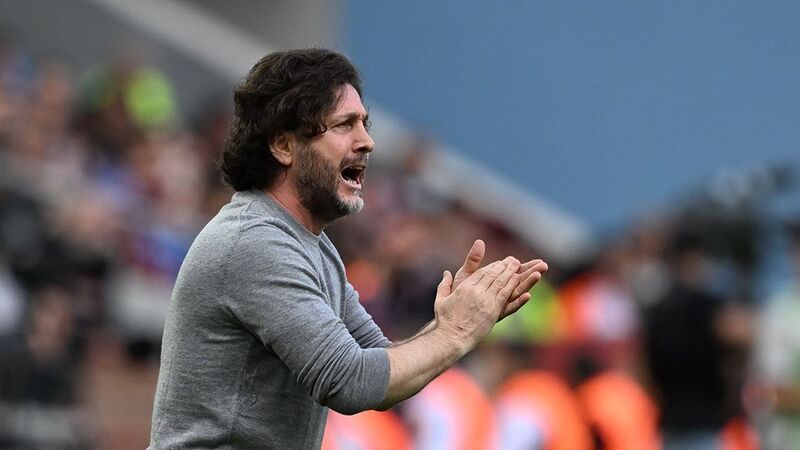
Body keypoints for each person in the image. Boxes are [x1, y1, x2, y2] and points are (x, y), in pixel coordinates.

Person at [148, 49, 548, 449]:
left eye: (364, 124)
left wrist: (452, 321)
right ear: (284, 145)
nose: (368, 141)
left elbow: (379, 364)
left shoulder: (311, 246)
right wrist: (458, 331)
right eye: (344, 125)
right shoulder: (256, 243)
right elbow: (350, 382)